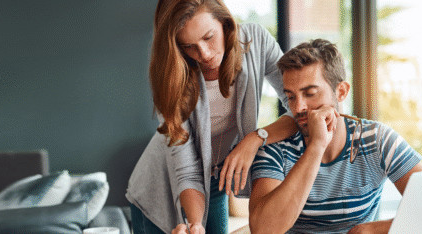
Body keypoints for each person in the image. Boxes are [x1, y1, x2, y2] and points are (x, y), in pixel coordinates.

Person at [125, 0, 298, 233]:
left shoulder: (255, 41)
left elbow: (297, 106)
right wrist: (194, 224)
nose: (203, 54)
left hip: (215, 177)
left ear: (225, 22)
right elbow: (187, 171)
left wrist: (256, 138)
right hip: (159, 185)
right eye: (189, 46)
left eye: (208, 37)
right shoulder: (173, 77)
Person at [248, 39, 422, 234]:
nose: (298, 107)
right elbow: (263, 230)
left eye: (310, 93)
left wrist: (372, 230)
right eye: (291, 97)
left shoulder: (377, 140)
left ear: (341, 91)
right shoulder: (275, 149)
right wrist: (316, 147)